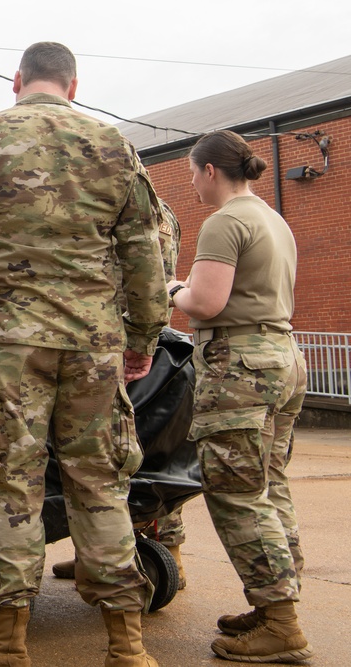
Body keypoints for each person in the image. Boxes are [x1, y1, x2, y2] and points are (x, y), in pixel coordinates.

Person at [0, 42, 167, 666]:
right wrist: (144, 335)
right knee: (101, 481)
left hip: (8, 342)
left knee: (8, 485)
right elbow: (145, 246)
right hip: (93, 341)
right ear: (74, 85)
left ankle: (7, 646)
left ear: (18, 81)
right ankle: (127, 647)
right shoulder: (112, 144)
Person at [166, 130, 312, 663]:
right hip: (282, 357)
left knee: (236, 492)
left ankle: (282, 624)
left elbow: (205, 301)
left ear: (210, 171)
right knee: (268, 485)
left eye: (190, 172)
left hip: (241, 369)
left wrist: (171, 289)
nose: (190, 183)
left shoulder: (225, 220)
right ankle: (278, 602)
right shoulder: (272, 217)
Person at [53, 199, 189, 589]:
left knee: (119, 451)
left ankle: (156, 554)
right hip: (146, 341)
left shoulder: (115, 202)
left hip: (115, 344)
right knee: (140, 448)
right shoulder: (165, 211)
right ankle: (98, 554)